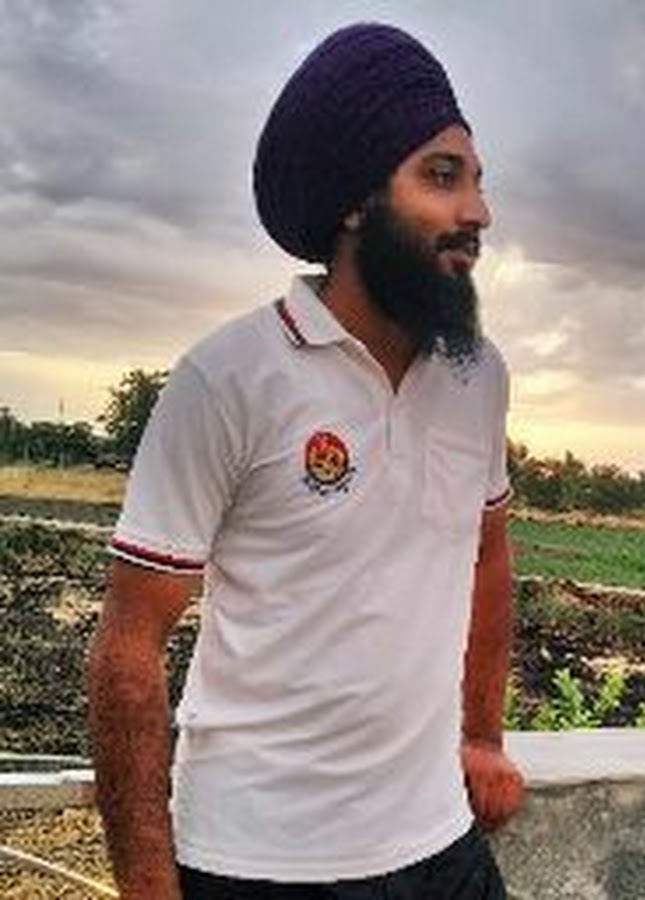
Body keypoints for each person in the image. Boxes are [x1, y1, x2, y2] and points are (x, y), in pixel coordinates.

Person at [87, 21, 525, 900]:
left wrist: (482, 736)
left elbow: (486, 554)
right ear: (356, 202)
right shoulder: (229, 378)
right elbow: (128, 647)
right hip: (260, 863)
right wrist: (148, 888)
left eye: (478, 182)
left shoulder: (478, 376)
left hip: (440, 842)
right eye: (443, 176)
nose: (477, 212)